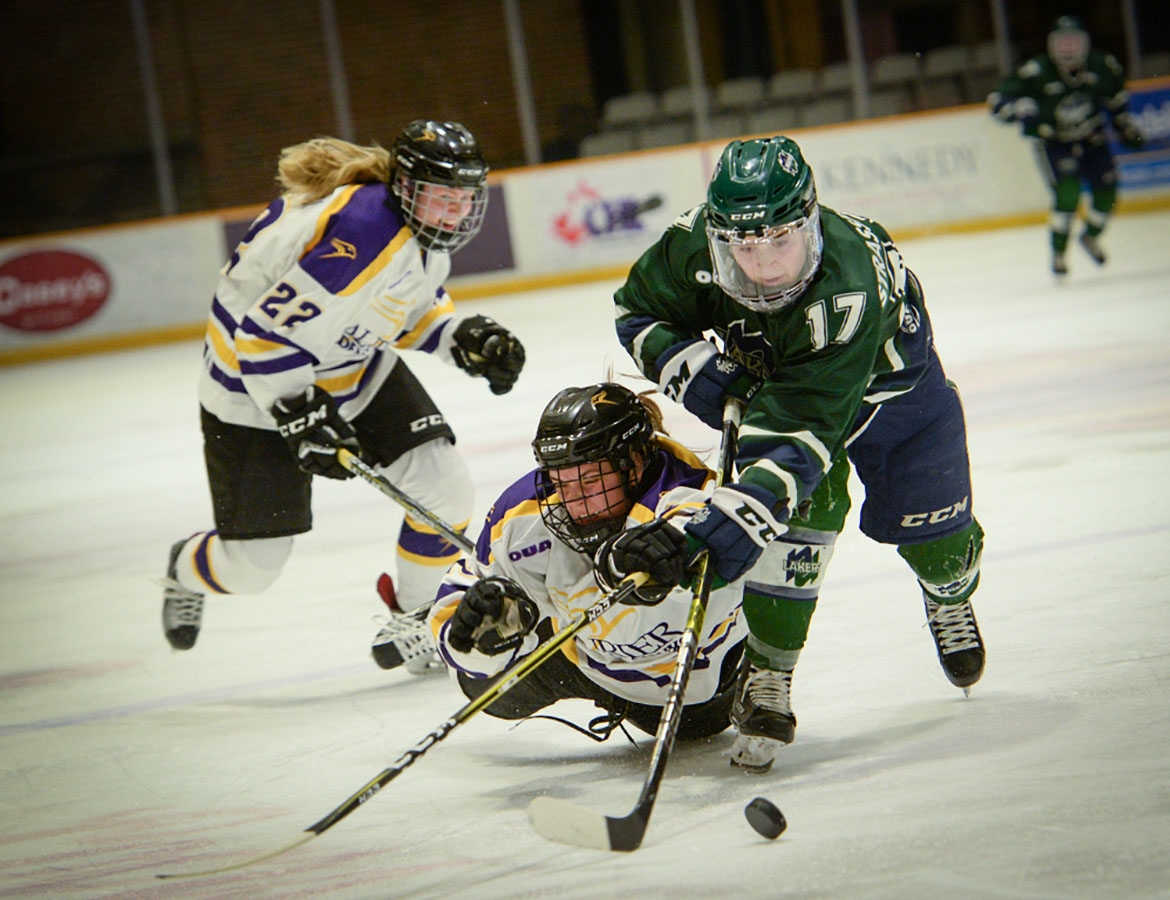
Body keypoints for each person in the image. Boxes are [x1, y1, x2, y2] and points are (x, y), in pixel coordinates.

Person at [611, 134, 986, 772]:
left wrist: (736, 511)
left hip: (899, 408)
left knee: (937, 545)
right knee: (796, 528)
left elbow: (803, 431)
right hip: (790, 397)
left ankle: (949, 597)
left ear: (808, 219)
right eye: (744, 247)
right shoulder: (693, 244)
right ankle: (769, 674)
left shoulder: (847, 287)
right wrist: (694, 366)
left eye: (780, 241)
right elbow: (638, 311)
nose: (763, 266)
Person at [160, 120, 525, 675]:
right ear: (405, 187)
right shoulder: (363, 231)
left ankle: (421, 615)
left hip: (347, 365)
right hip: (252, 392)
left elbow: (391, 314)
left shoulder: (416, 235)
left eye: (462, 199)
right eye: (439, 198)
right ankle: (183, 567)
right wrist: (300, 417)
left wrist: (460, 339)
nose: (453, 213)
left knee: (443, 487)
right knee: (253, 567)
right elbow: (259, 338)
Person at [428, 382, 747, 742]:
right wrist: (474, 632)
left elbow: (734, 569)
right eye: (561, 483)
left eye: (591, 481)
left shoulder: (690, 498)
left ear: (635, 464)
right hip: (585, 662)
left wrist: (667, 568)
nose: (574, 502)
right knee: (480, 684)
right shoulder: (523, 515)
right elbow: (459, 597)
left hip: (690, 692)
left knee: (696, 727)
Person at [989, 15, 1145, 275]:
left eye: (1074, 42)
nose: (1068, 48)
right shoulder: (1036, 71)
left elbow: (1117, 102)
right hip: (1054, 143)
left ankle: (1090, 236)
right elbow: (996, 102)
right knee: (1068, 193)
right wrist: (1017, 109)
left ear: (1085, 44)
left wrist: (1126, 129)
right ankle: (1059, 253)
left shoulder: (1102, 66)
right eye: (1062, 42)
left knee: (1107, 195)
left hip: (1092, 140)